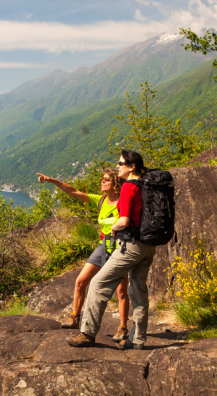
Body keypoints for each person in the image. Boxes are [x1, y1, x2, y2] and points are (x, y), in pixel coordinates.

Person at [66, 150, 155, 350]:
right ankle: (138, 340)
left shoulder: (129, 187)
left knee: (98, 283)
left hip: (131, 244)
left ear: (132, 167)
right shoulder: (147, 185)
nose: (118, 166)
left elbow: (123, 220)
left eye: (121, 163)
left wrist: (114, 229)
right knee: (139, 291)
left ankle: (87, 333)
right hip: (149, 244)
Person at [36, 168, 132, 343]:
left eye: (106, 180)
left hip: (119, 247)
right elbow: (73, 191)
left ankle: (123, 328)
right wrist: (53, 181)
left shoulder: (123, 202)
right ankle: (75, 317)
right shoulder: (101, 200)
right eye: (102, 179)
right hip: (104, 245)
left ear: (116, 184)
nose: (102, 182)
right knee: (80, 281)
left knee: (121, 291)